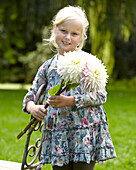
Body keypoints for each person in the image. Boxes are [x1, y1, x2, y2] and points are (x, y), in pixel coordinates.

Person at [23, 6, 116, 170]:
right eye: (63, 30)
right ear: (54, 29)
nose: (67, 37)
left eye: (74, 34)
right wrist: (32, 107)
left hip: (84, 132)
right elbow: (31, 95)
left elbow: (101, 96)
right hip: (58, 134)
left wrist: (70, 100)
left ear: (81, 37)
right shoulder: (48, 67)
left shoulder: (88, 63)